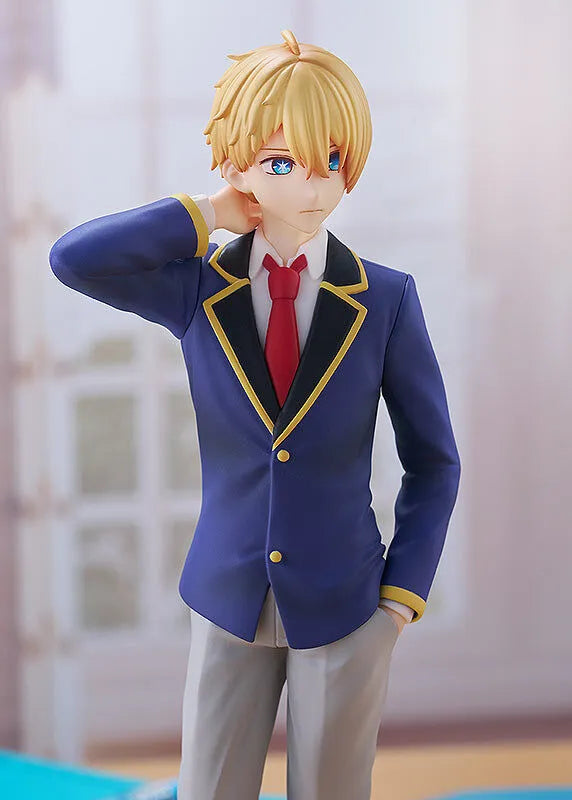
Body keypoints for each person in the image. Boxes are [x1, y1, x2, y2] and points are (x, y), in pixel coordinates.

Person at [49, 29, 461, 800]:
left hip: (346, 604)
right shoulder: (199, 288)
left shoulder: (385, 300)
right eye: (281, 162)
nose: (311, 185)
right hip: (228, 595)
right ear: (238, 165)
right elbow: (75, 259)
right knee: (209, 789)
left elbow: (434, 461)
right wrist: (207, 212)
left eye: (329, 160)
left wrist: (400, 600)